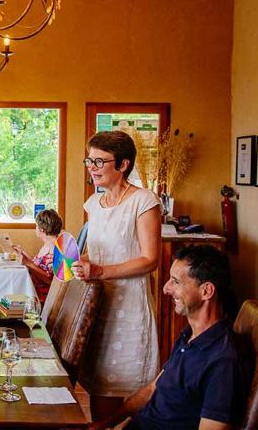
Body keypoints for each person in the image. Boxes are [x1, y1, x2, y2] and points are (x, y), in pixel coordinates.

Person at [90, 245, 251, 430]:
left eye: (175, 281)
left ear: (206, 291)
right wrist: (104, 423)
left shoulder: (223, 362)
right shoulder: (189, 335)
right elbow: (152, 389)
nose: (166, 289)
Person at [71, 130, 162, 421]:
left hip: (129, 308)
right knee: (100, 390)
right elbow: (95, 252)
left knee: (127, 389)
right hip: (99, 306)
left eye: (99, 162)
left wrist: (100, 271)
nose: (92, 168)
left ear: (122, 165)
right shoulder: (92, 205)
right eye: (89, 161)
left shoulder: (144, 201)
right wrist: (76, 262)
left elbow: (150, 259)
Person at [12, 209, 63, 303]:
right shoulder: (48, 244)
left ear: (41, 229)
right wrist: (23, 252)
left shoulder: (55, 248)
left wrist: (28, 263)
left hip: (42, 296)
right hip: (35, 290)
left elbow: (51, 281)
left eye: (36, 226)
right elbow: (39, 263)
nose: (35, 228)